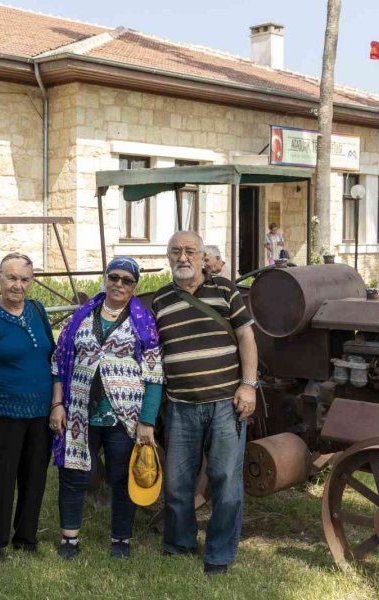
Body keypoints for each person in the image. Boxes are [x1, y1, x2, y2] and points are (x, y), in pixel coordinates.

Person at [152, 231, 258, 576]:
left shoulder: (225, 290)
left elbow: (246, 337)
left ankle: (219, 554)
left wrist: (248, 385)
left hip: (226, 404)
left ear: (202, 257)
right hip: (181, 405)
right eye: (176, 252)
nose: (183, 258)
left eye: (190, 251)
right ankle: (179, 545)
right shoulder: (160, 301)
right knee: (178, 483)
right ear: (169, 257)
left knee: (226, 480)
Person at [49, 256, 164, 559]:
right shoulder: (82, 317)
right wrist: (57, 403)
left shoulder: (142, 321)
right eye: (114, 277)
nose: (119, 284)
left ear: (134, 286)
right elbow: (59, 364)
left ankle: (120, 540)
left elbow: (154, 375)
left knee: (120, 478)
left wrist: (147, 420)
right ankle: (69, 539)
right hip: (78, 414)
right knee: (73, 474)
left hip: (123, 418)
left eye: (127, 280)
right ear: (106, 278)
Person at [0, 252, 55, 561]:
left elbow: (52, 358)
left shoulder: (38, 311)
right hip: (1, 414)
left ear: (32, 282)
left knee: (34, 478)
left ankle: (26, 540)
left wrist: (57, 404)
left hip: (41, 414)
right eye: (12, 278)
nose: (18, 285)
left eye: (25, 279)